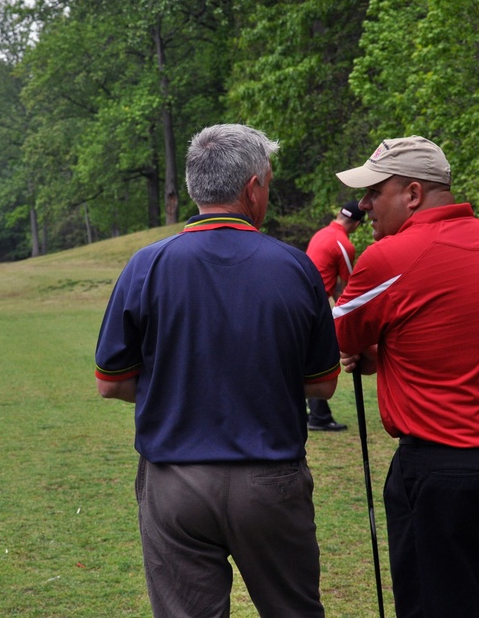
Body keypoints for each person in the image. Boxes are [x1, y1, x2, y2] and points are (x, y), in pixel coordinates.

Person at [95, 123, 340, 617]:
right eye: (267, 182)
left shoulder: (146, 265)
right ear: (253, 187)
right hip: (270, 481)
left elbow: (112, 381)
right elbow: (322, 381)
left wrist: (179, 386)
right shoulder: (294, 267)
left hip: (175, 481)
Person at [331, 135, 479, 618]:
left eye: (375, 192)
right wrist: (383, 352)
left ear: (413, 194)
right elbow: (454, 333)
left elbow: (340, 337)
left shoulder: (387, 257)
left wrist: (371, 351)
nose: (364, 204)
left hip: (446, 474)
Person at [304, 201, 365, 432]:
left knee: (308, 357)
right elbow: (349, 288)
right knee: (321, 357)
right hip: (315, 305)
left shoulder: (321, 234)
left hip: (305, 299)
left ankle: (318, 415)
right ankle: (319, 417)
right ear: (357, 224)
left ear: (340, 214)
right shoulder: (343, 244)